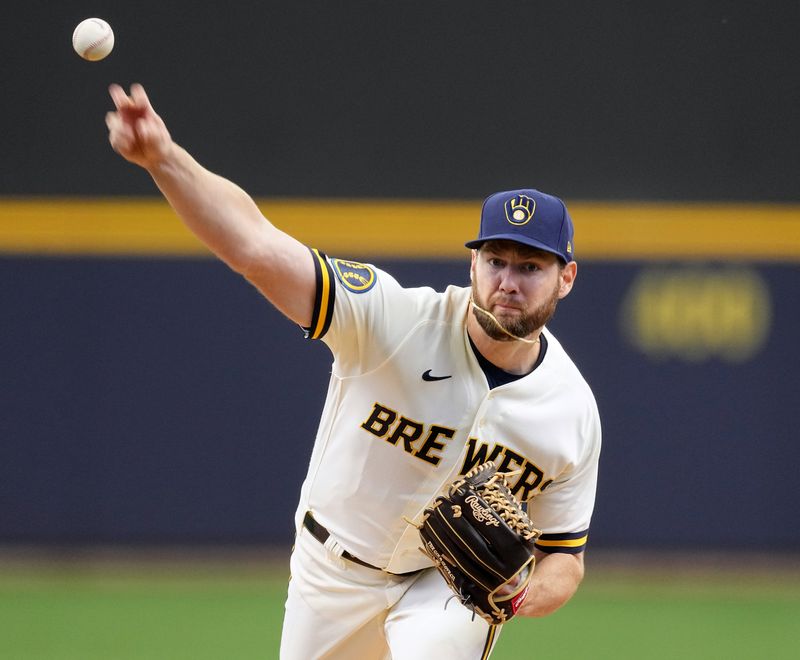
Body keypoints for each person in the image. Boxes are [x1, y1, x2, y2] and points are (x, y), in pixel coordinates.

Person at [105, 83, 601, 660]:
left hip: (441, 584)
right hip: (331, 567)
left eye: (530, 265)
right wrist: (164, 159)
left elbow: (565, 554)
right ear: (473, 262)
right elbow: (257, 249)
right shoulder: (394, 321)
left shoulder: (571, 410)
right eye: (495, 260)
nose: (507, 281)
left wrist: (520, 596)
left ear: (566, 277)